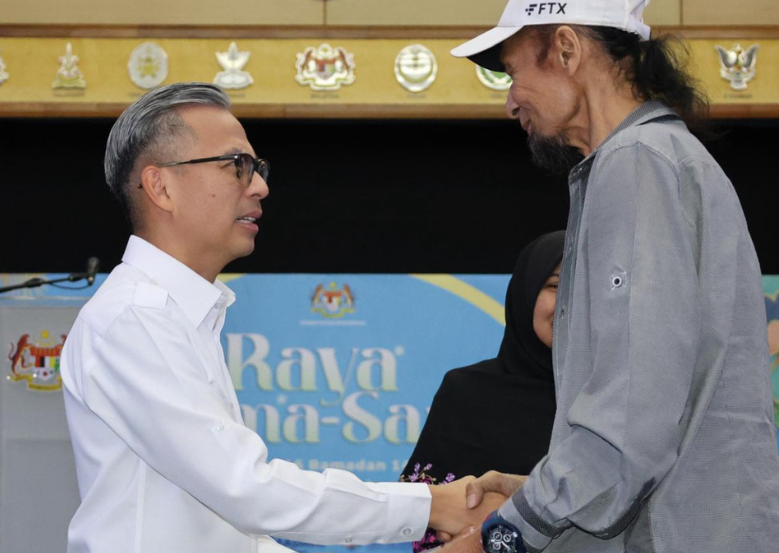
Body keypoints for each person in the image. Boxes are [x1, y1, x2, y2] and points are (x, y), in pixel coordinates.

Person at [59, 82, 493, 553]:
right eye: (236, 165)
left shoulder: (182, 314)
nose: (260, 186)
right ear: (161, 187)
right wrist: (432, 506)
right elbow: (247, 490)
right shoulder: (134, 318)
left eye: (257, 167)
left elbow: (235, 536)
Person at [441, 0, 779, 552]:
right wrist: (534, 496)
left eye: (512, 72)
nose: (511, 101)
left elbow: (629, 427)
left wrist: (501, 537)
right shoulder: (655, 158)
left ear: (566, 49)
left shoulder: (636, 162)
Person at [400, 230, 565, 552]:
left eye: (587, 289)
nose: (571, 304)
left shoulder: (623, 399)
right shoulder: (468, 392)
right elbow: (427, 524)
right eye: (556, 287)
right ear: (526, 293)